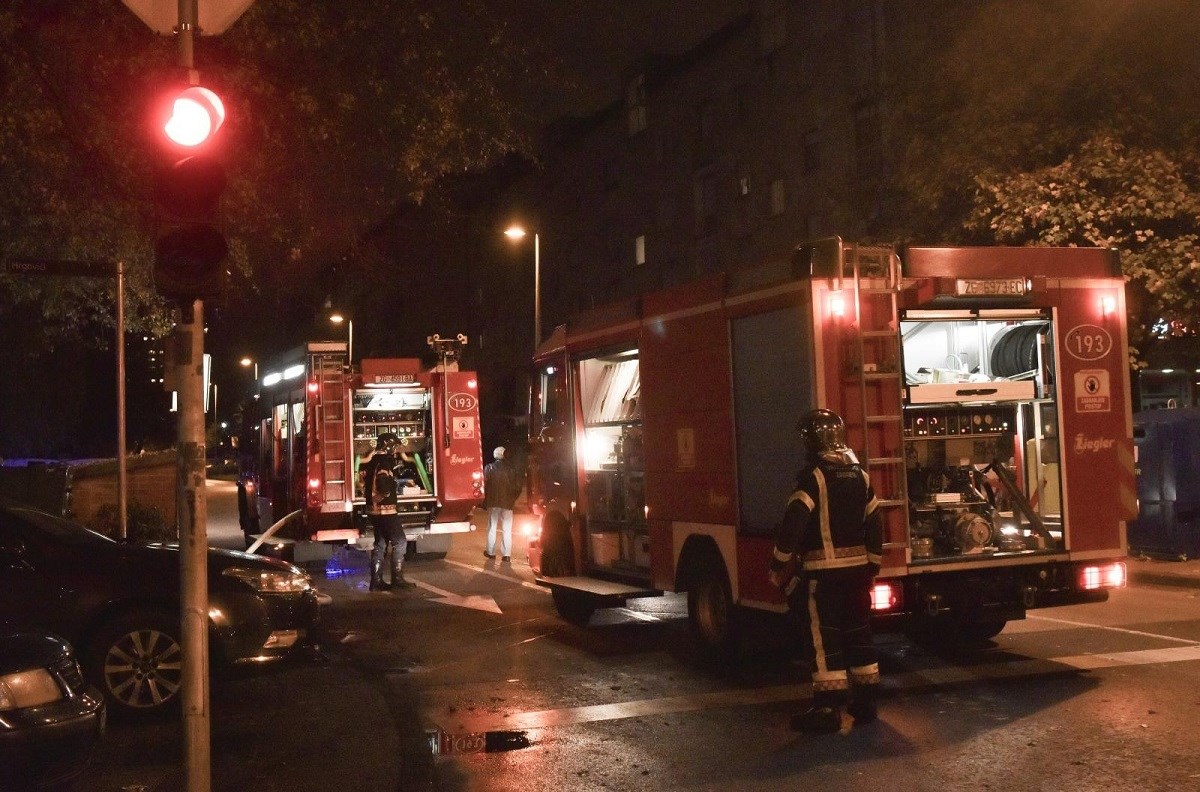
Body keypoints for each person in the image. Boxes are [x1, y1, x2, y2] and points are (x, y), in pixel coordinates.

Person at [768, 408, 883, 733]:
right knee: (859, 632)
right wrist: (873, 562)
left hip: (823, 575)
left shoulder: (813, 478)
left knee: (824, 638)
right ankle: (866, 700)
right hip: (858, 574)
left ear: (811, 442)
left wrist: (778, 564)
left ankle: (827, 709)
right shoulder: (861, 475)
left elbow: (794, 524)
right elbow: (875, 521)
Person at [362, 433, 414, 591]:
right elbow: (384, 485)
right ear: (389, 446)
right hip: (386, 512)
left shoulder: (373, 461)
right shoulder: (385, 462)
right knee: (400, 542)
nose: (397, 450)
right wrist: (385, 494)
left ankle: (376, 581)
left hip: (374, 512)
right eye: (395, 447)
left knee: (380, 544)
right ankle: (397, 579)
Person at [483, 446, 520, 562]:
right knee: (507, 529)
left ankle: (491, 552)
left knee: (492, 528)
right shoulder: (511, 469)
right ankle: (506, 555)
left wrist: (484, 500)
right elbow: (517, 487)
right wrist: (512, 499)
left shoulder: (489, 468)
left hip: (493, 502)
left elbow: (484, 485)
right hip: (508, 504)